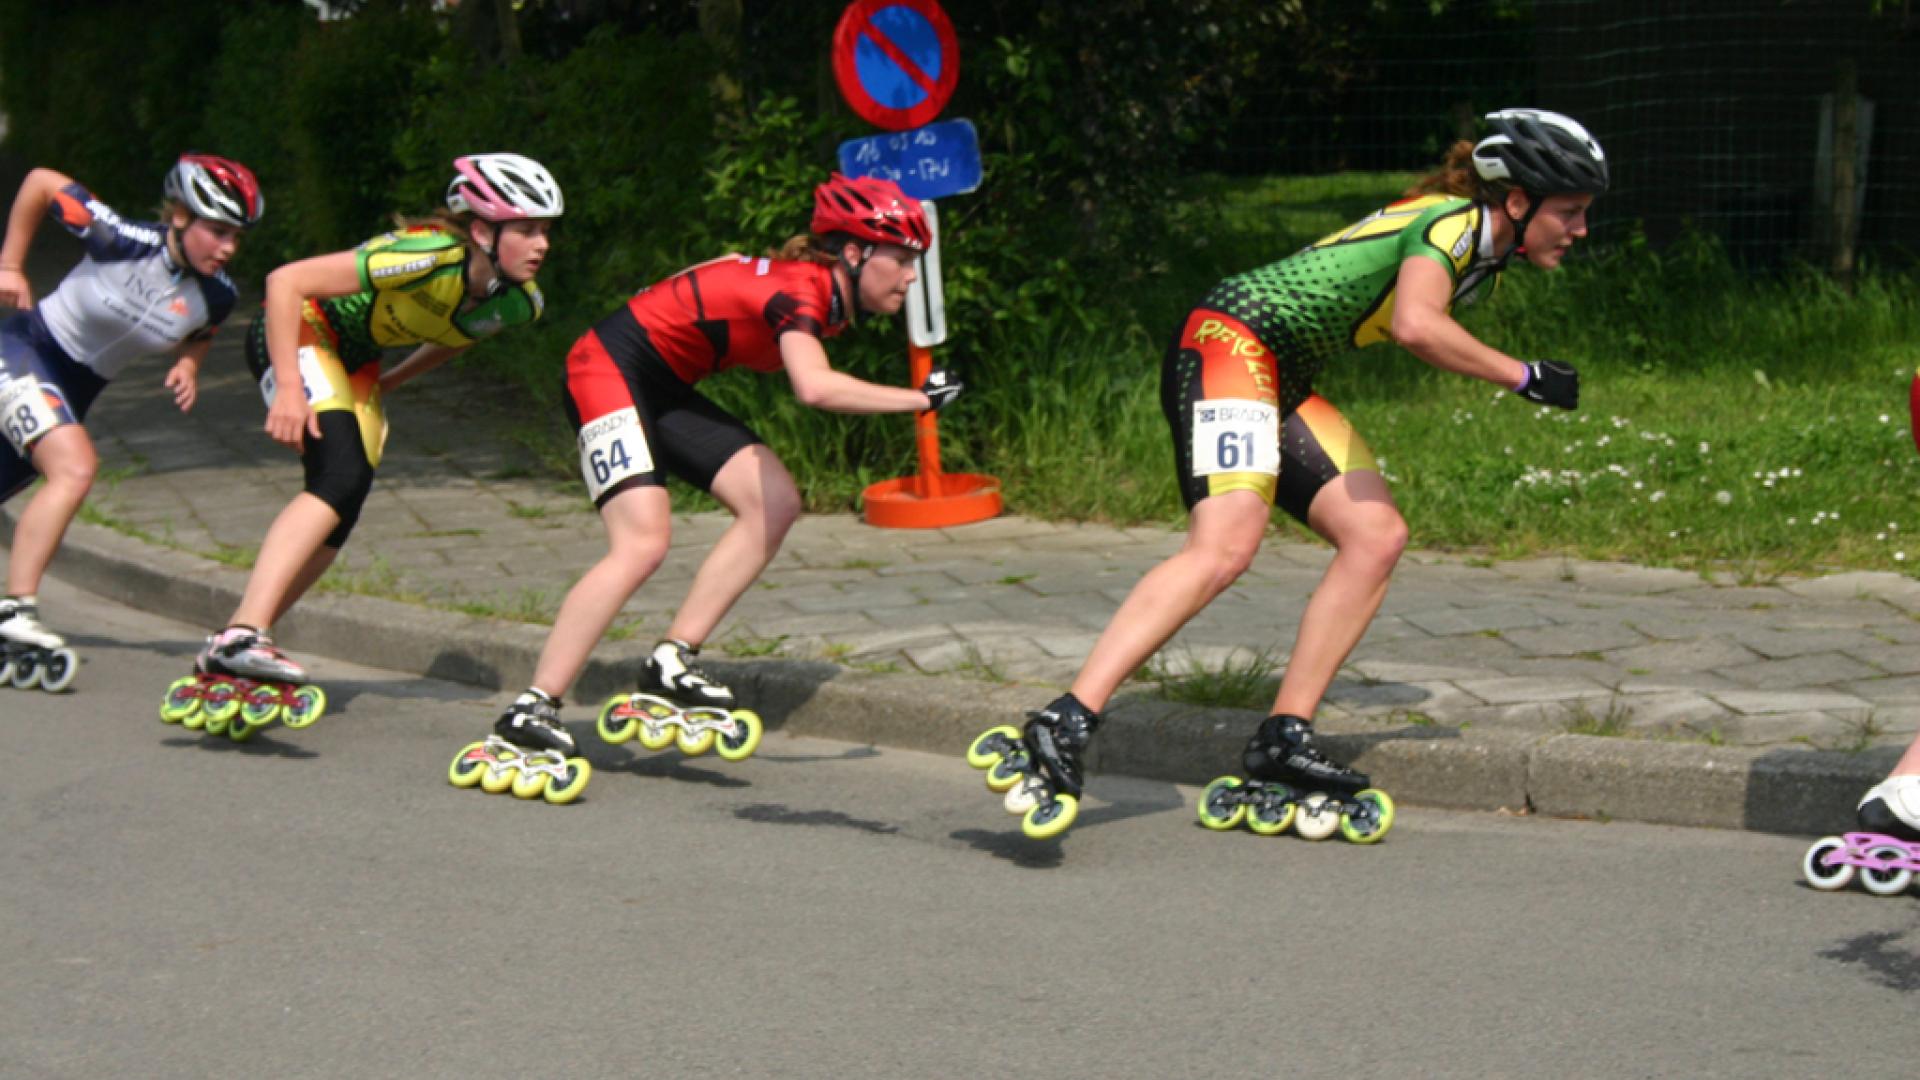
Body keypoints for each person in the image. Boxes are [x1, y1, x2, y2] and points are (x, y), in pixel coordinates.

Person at [976, 109, 1608, 839]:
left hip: (1278, 371)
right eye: (1570, 211)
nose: (1580, 229)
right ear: (1518, 200)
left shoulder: (1481, 257)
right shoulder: (1455, 225)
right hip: (1232, 341)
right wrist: (1525, 376)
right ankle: (1066, 718)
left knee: (1376, 535)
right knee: (1224, 547)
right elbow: (1416, 324)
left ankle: (1284, 737)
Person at [486, 173, 959, 761]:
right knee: (642, 542)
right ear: (856, 254)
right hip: (605, 369)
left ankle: (671, 660)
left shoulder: (814, 287)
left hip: (660, 384)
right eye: (902, 260)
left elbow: (722, 268)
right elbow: (813, 386)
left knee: (774, 502)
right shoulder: (804, 290)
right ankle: (531, 707)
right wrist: (919, 400)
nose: (911, 275)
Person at [189, 153, 561, 708]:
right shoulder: (425, 254)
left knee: (347, 500)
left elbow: (456, 336)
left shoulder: (518, 302)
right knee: (338, 474)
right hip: (303, 329)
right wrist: (288, 388)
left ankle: (237, 639)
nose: (541, 245)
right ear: (483, 231)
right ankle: (243, 634)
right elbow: (285, 282)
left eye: (546, 231)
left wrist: (394, 380)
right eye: (527, 230)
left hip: (357, 361)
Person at [0, 155, 261, 690]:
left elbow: (201, 331)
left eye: (236, 236)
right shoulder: (120, 239)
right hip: (26, 350)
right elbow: (41, 182)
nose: (228, 248)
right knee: (74, 469)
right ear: (180, 217)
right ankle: (15, 610)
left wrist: (189, 364)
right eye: (217, 231)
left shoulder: (218, 294)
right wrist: (9, 264)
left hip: (76, 392)